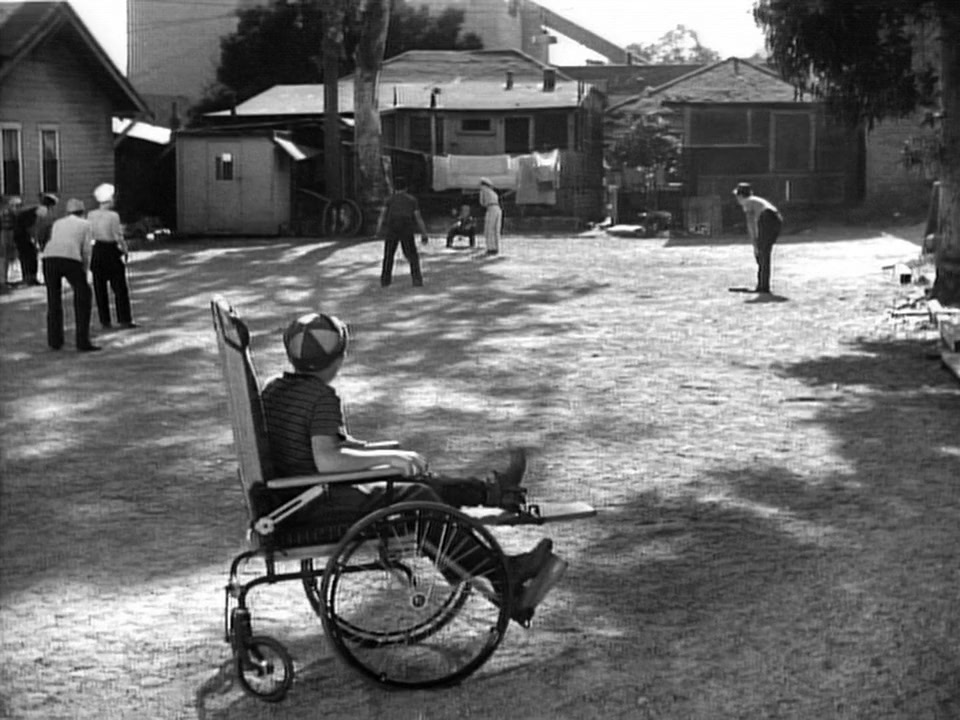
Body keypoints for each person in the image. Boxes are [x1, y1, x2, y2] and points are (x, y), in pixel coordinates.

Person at [260, 312, 565, 624]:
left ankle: (493, 493)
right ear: (340, 357)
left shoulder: (276, 390)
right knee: (419, 497)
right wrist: (387, 460)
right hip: (316, 503)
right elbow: (327, 460)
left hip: (296, 498)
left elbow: (329, 448)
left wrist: (385, 454)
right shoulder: (321, 397)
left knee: (415, 479)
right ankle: (503, 573)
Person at [42, 198, 99, 352]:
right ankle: (82, 340)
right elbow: (86, 250)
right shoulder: (86, 224)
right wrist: (85, 270)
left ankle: (55, 340)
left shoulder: (58, 223)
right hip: (70, 257)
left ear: (67, 212)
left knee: (54, 299)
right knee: (83, 295)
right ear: (83, 212)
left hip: (49, 257)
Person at [88, 183, 138, 329]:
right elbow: (117, 235)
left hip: (97, 249)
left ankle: (105, 320)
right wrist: (125, 249)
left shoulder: (91, 215)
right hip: (110, 250)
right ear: (110, 199)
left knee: (100, 288)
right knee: (120, 287)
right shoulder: (113, 216)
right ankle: (124, 319)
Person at [375, 177, 428, 287]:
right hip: (406, 226)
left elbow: (382, 215)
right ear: (406, 188)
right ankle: (417, 279)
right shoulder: (412, 200)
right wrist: (424, 233)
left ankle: (385, 280)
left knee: (389, 254)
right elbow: (418, 217)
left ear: (394, 188)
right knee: (412, 255)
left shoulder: (389, 199)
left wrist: (378, 230)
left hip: (392, 226)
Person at [733, 183, 783, 294]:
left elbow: (751, 224)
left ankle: (763, 286)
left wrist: (754, 244)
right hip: (776, 219)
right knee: (764, 252)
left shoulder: (748, 202)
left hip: (768, 219)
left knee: (762, 253)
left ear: (741, 196)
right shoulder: (755, 200)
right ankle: (762, 284)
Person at [13, 193, 58, 286]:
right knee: (29, 255)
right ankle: (29, 278)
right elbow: (36, 226)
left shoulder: (38, 209)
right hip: (23, 233)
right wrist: (35, 240)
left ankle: (29, 277)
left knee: (28, 256)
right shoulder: (42, 210)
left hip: (20, 232)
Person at [0, 196, 19, 292]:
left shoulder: (6, 212)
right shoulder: (7, 212)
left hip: (5, 233)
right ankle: (3, 281)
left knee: (4, 257)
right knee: (4, 258)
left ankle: (3, 280)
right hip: (5, 233)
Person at [479, 177, 502, 256]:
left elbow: (482, 202)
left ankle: (490, 248)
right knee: (496, 229)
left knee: (489, 229)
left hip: (491, 208)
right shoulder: (493, 192)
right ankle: (496, 247)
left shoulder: (483, 190)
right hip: (498, 208)